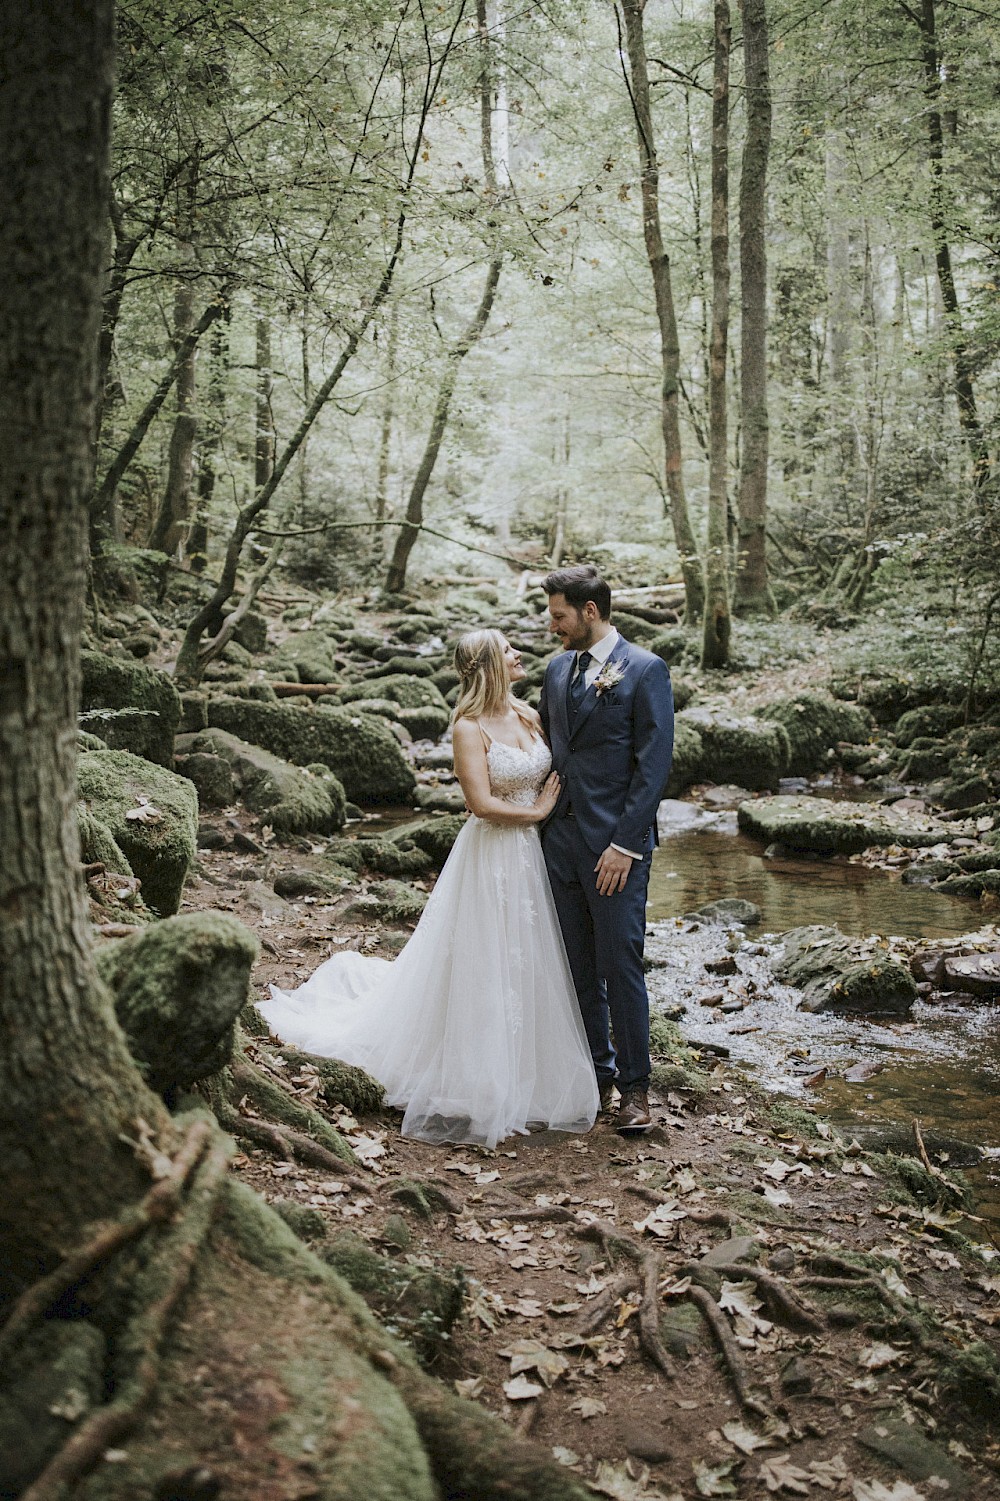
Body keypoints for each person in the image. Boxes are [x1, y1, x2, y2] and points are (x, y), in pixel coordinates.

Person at [259, 628, 599, 1149]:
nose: (518, 654)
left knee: (526, 960)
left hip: (532, 856)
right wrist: (536, 812)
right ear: (489, 664)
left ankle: (527, 1070)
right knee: (483, 959)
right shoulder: (467, 728)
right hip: (492, 854)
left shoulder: (529, 713)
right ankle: (476, 1076)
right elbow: (480, 803)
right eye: (508, 650)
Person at [539, 565, 674, 1134]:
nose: (551, 626)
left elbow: (655, 765)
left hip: (616, 849)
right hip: (557, 843)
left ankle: (635, 1091)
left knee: (620, 966)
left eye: (558, 615)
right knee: (576, 967)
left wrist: (625, 843)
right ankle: (594, 1075)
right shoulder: (554, 670)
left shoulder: (645, 671)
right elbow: (546, 745)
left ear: (589, 611)